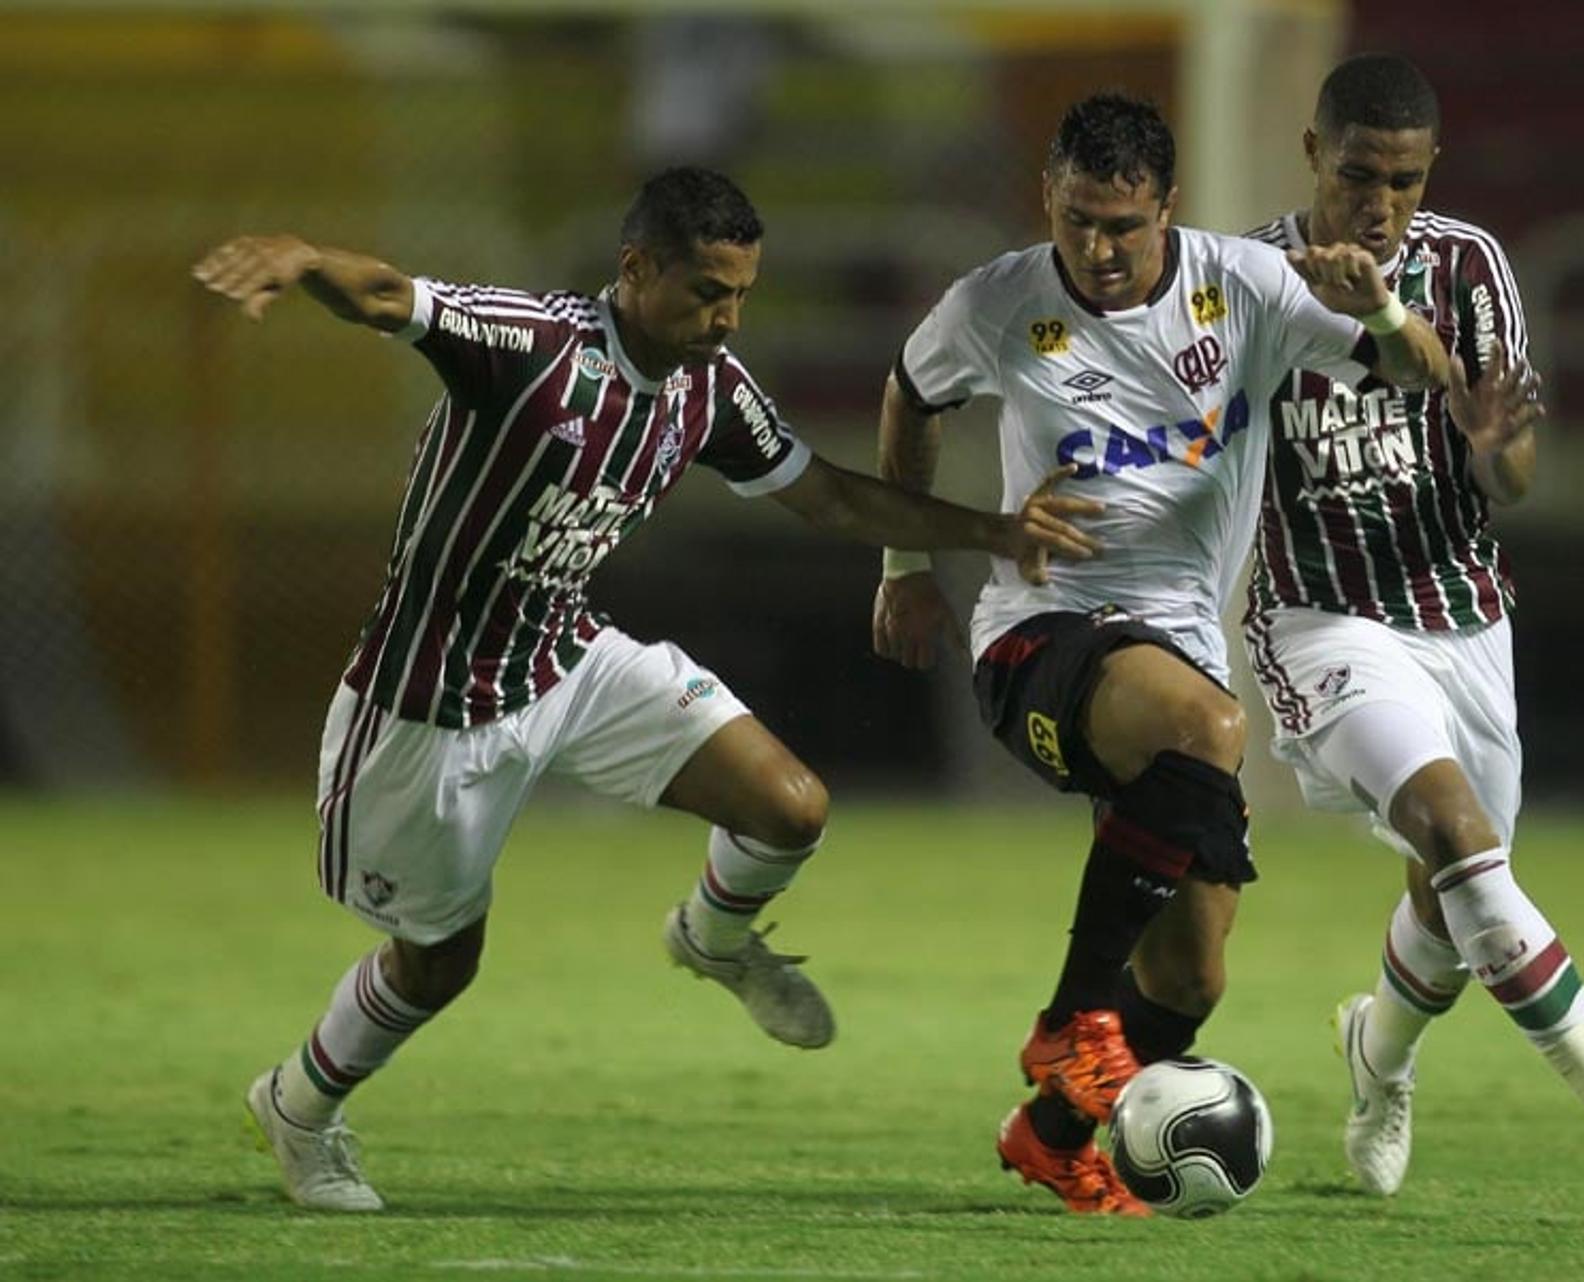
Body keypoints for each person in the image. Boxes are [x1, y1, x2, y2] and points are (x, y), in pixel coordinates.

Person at [192, 166, 1099, 1213]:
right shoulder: (532, 346)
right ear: (635, 269)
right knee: (439, 962)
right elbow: (394, 297)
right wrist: (304, 260)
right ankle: (299, 1106)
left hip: (566, 661)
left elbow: (829, 498)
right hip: (426, 706)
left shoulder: (710, 387)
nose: (727, 319)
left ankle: (712, 939)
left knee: (789, 805)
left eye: (743, 294)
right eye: (708, 291)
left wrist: (991, 534)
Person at [871, 92, 1450, 1215]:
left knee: (1191, 972)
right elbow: (910, 393)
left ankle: (1049, 1134)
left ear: (1167, 210)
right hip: (1040, 637)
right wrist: (904, 564)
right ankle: (1071, 1022)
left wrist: (1379, 309)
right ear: (1050, 197)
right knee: (1208, 729)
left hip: (1180, 643)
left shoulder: (1243, 287)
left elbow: (1421, 373)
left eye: (1123, 226)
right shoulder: (997, 301)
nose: (1098, 249)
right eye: (1078, 219)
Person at [1242, 52, 1584, 1197]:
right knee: (1462, 839)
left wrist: (1488, 447)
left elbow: (1513, 471)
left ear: (1432, 173)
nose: (1380, 202)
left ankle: (1378, 1055)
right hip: (1320, 619)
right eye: (1360, 173)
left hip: (1462, 617)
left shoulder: (1471, 267)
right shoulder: (1252, 278)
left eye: (1406, 181)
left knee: (1455, 890)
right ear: (1315, 152)